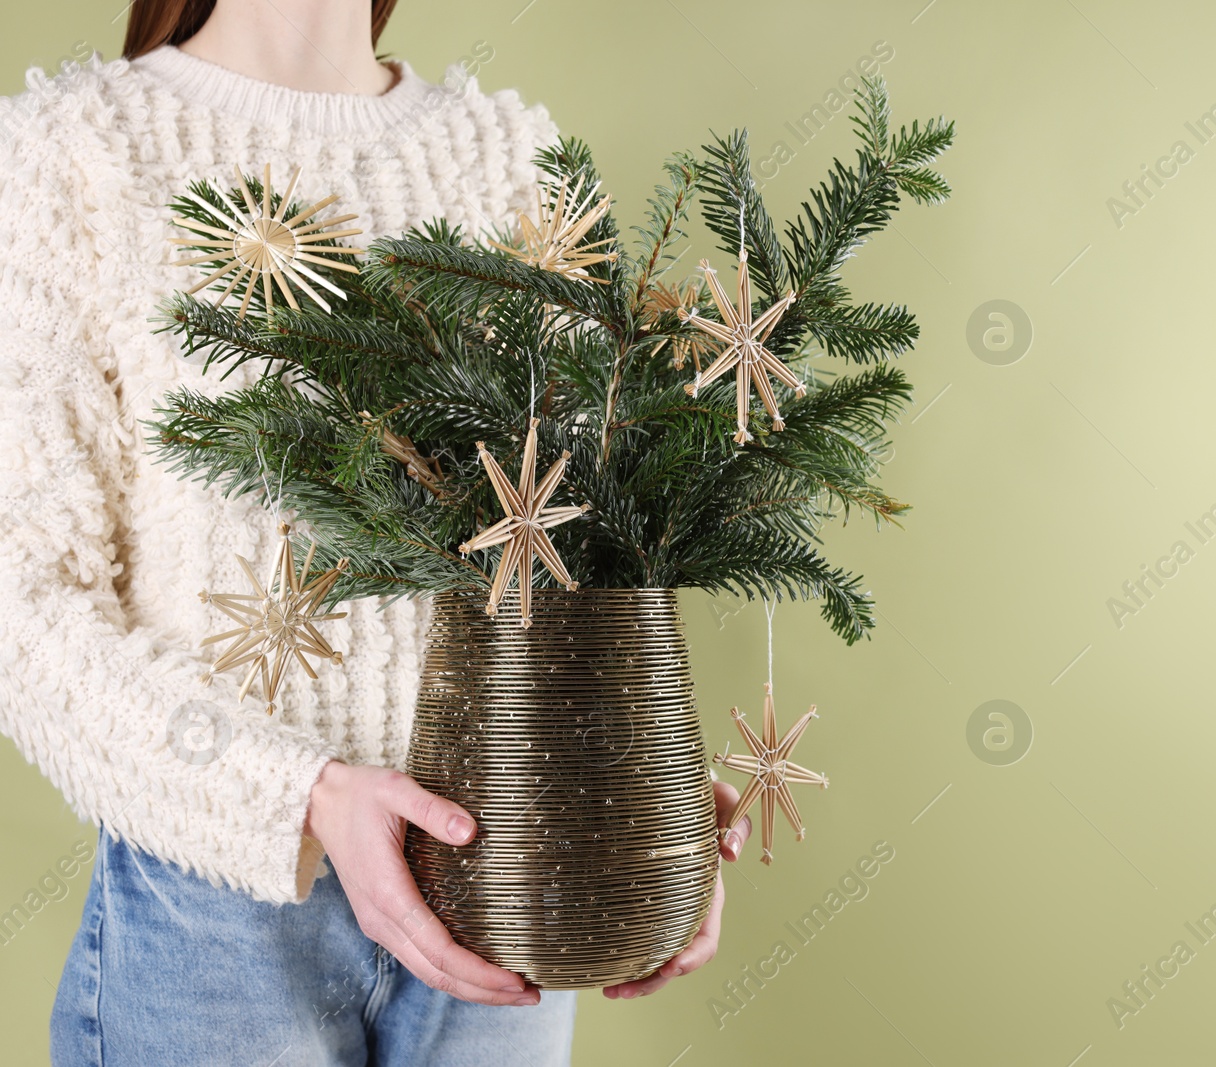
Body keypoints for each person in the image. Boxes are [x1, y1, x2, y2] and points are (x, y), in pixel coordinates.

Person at [0, 2, 749, 1064]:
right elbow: (22, 605)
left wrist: (638, 778)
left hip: (509, 862)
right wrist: (300, 793)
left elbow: (590, 536)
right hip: (216, 914)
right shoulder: (70, 149)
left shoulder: (509, 154)